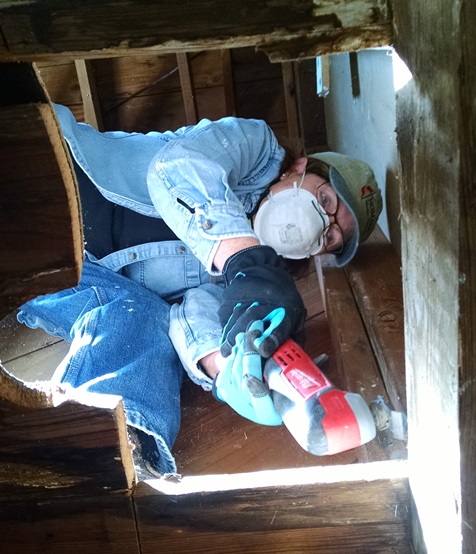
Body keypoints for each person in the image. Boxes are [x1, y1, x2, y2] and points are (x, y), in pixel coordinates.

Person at [17, 105, 382, 480]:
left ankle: (108, 456)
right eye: (326, 200)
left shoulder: (254, 290)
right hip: (44, 170)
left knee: (143, 316)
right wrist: (247, 261)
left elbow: (189, 319)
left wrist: (234, 367)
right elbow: (175, 168)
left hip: (64, 271)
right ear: (300, 168)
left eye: (331, 236)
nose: (319, 224)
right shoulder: (257, 148)